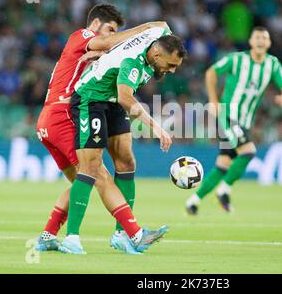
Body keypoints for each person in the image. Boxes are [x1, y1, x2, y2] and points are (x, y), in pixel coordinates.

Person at [35, 3, 168, 252]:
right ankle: (133, 234)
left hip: (48, 118)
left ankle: (48, 235)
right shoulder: (84, 35)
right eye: (109, 29)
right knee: (98, 173)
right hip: (62, 114)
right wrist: (147, 29)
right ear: (95, 24)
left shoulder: (94, 53)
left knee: (81, 180)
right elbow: (108, 43)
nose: (110, 35)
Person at [58, 26, 187, 254]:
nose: (173, 71)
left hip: (111, 100)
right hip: (91, 98)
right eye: (170, 65)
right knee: (90, 167)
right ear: (156, 55)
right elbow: (126, 98)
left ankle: (121, 235)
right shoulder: (133, 62)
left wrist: (110, 51)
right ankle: (71, 237)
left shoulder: (159, 38)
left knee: (127, 162)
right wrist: (156, 128)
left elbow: (161, 24)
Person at [185, 26, 282, 215]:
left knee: (223, 164)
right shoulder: (237, 59)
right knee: (248, 151)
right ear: (251, 41)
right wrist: (213, 100)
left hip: (244, 121)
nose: (260, 41)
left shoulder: (273, 64)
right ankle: (224, 190)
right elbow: (211, 72)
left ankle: (193, 201)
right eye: (257, 37)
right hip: (228, 115)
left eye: (264, 38)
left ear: (269, 43)